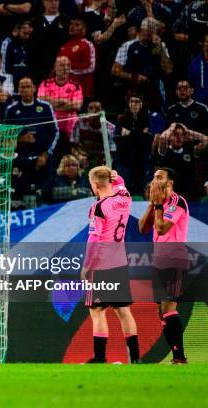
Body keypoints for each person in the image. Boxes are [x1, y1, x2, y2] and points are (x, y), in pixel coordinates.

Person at [81, 167, 141, 364]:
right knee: (124, 311)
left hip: (100, 265)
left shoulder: (98, 207)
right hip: (119, 263)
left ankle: (100, 359)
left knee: (97, 311)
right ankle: (136, 359)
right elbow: (121, 184)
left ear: (95, 184)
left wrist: (87, 265)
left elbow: (94, 239)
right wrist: (117, 177)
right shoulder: (125, 199)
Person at [138, 167, 190, 364]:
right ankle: (177, 357)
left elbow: (160, 228)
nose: (154, 180)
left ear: (170, 182)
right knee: (162, 312)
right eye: (153, 177)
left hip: (174, 260)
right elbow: (142, 228)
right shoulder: (159, 203)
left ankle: (179, 358)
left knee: (168, 307)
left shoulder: (177, 202)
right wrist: (152, 204)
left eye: (159, 177)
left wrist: (158, 205)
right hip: (158, 260)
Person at [152, 123, 208, 200]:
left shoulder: (191, 150)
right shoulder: (164, 151)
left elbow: (205, 140)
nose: (178, 138)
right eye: (175, 135)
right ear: (170, 137)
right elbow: (162, 138)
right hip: (170, 194)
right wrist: (172, 127)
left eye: (182, 135)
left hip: (189, 194)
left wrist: (187, 131)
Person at [38, 56, 83, 143]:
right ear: (55, 67)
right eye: (62, 65)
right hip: (49, 124)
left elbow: (77, 106)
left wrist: (51, 104)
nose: (65, 68)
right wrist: (65, 101)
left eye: (68, 65)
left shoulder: (76, 86)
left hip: (69, 125)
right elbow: (41, 102)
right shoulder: (45, 84)